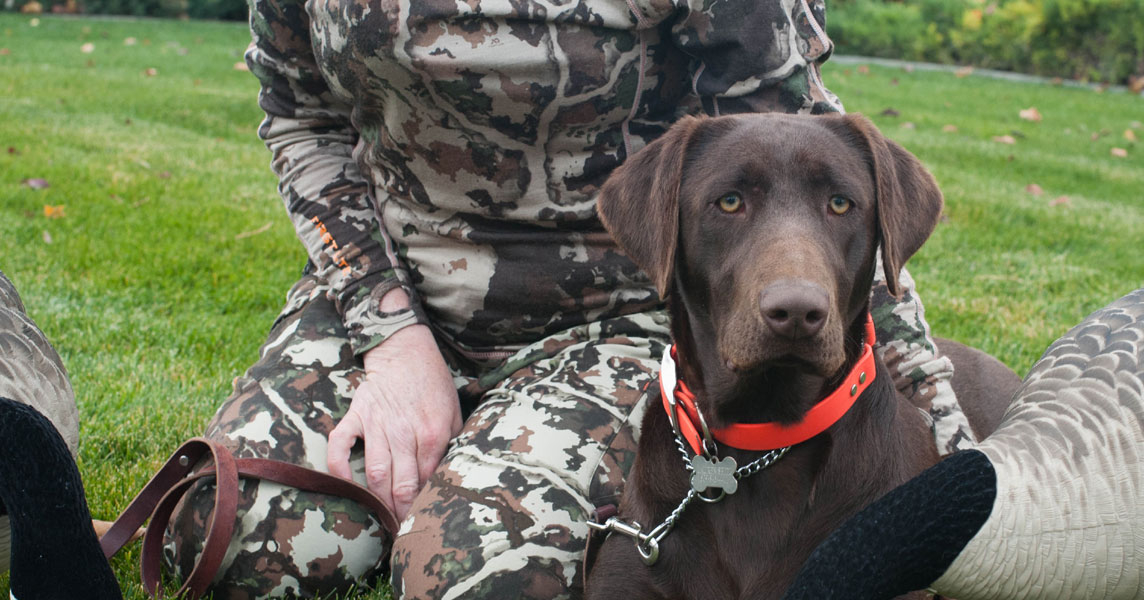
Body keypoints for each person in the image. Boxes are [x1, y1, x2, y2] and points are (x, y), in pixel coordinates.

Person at [161, 1, 976, 597]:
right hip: (384, 293)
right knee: (232, 543)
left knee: (486, 583)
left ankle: (466, 481)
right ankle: (449, 461)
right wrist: (392, 337)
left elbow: (791, 156)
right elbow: (299, 110)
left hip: (610, 310)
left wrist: (952, 452)